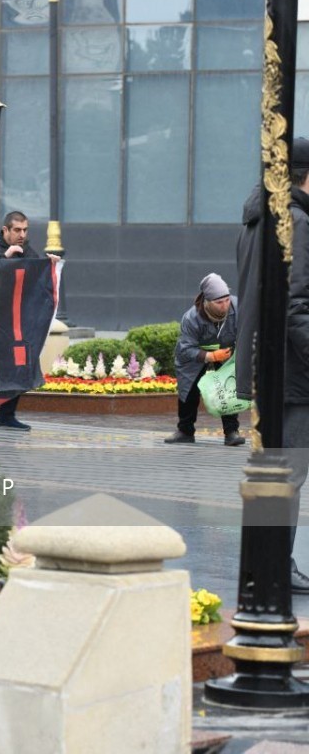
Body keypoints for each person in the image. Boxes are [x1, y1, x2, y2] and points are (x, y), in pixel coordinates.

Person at [237, 136, 309, 593]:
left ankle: (261, 566)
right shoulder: (296, 221)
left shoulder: (256, 218)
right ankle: (275, 567)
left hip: (270, 369)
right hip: (293, 376)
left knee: (272, 473)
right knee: (288, 474)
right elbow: (296, 306)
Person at [0, 211, 58, 431]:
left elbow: (37, 275)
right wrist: (6, 257)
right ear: (5, 231)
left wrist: (49, 266)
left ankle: (7, 416)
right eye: (17, 230)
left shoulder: (27, 250)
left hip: (17, 322)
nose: (22, 235)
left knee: (20, 366)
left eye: (25, 230)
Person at [164, 273, 243, 448]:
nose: (224, 306)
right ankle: (185, 431)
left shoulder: (238, 308)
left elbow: (249, 331)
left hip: (228, 351)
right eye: (219, 302)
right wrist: (210, 356)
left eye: (226, 300)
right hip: (197, 354)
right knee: (189, 388)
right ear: (207, 301)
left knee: (228, 386)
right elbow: (185, 348)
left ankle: (231, 432)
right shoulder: (191, 318)